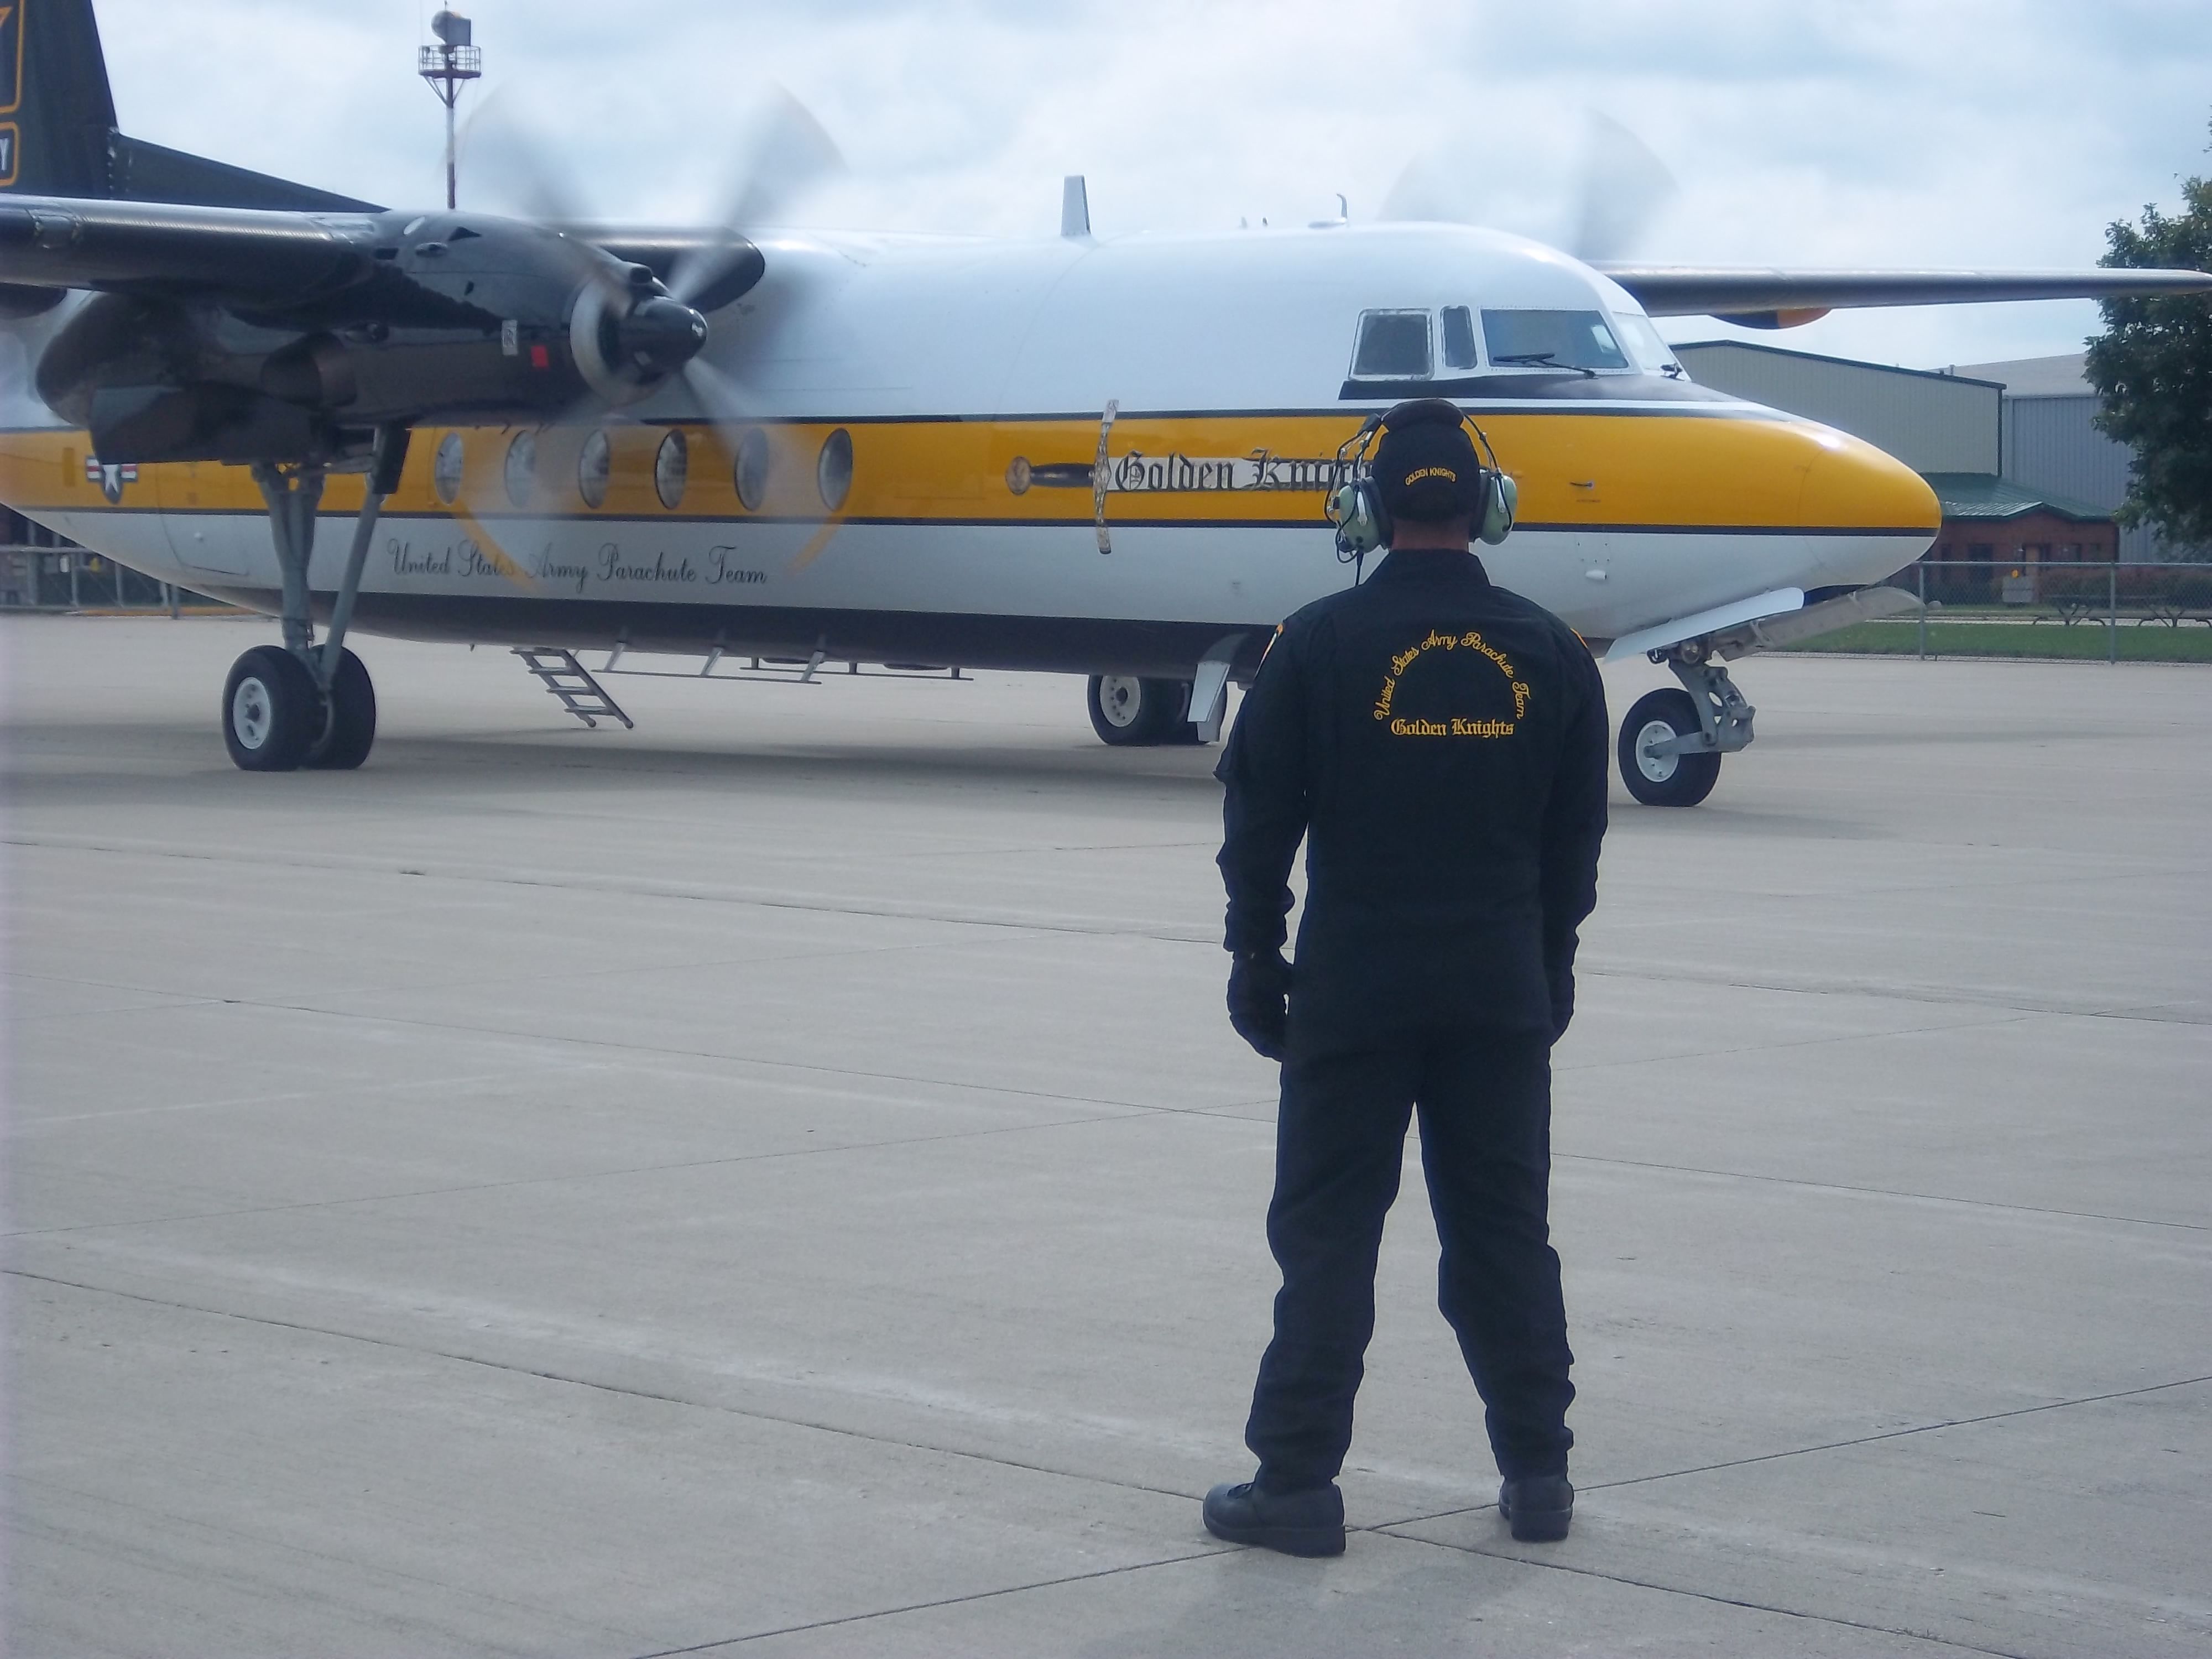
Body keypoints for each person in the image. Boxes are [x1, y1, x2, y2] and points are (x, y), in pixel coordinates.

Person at [1202, 398, 1609, 1557]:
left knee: (1328, 1235)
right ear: (1488, 510)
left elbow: (1257, 821)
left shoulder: (1314, 644)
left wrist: (1252, 953)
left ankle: (1295, 1486)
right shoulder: (1552, 655)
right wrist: (1550, 967)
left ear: (1365, 510)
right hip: (1494, 989)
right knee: (1502, 1236)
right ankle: (1538, 1477)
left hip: (1355, 986)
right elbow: (1572, 848)